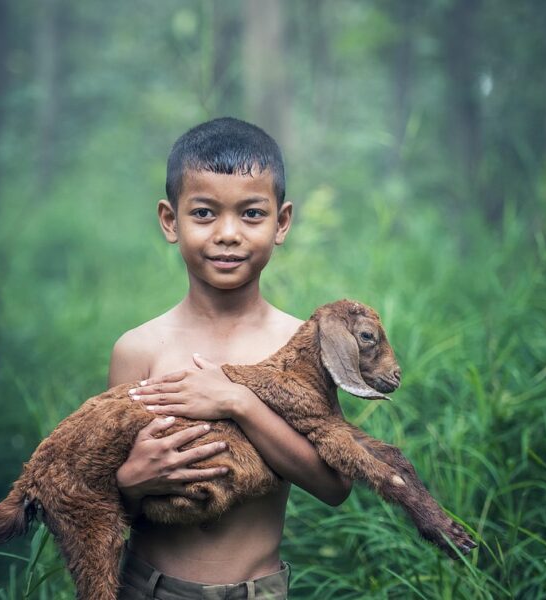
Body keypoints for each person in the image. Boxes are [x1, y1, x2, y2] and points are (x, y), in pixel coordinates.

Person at [108, 117, 352, 599]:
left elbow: (335, 485)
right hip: (145, 587)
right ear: (169, 220)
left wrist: (239, 402)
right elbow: (96, 492)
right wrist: (133, 482)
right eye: (203, 213)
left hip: (257, 591)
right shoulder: (139, 348)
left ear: (281, 223)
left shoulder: (300, 346)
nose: (227, 234)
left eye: (251, 214)